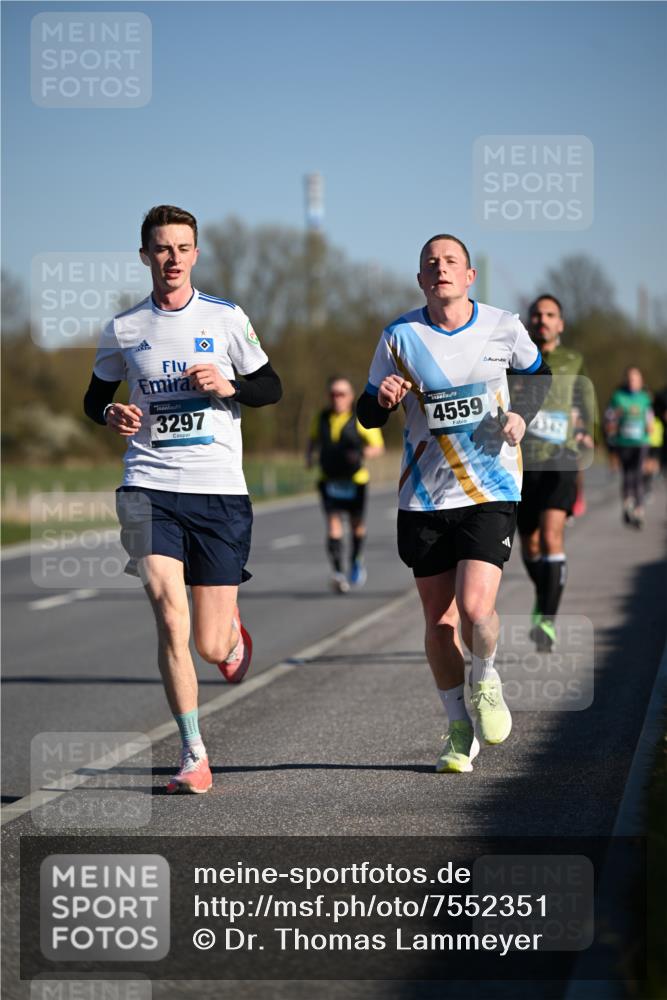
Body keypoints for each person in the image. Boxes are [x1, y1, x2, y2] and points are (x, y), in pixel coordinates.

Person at [83, 205, 282, 794]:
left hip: (217, 491)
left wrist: (231, 386)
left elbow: (271, 387)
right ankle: (193, 755)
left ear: (196, 254)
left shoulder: (225, 319)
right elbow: (94, 399)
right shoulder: (124, 328)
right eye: (161, 248)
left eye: (182, 247)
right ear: (145, 255)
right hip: (147, 486)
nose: (172, 258)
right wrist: (111, 412)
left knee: (207, 642)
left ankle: (229, 635)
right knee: (170, 616)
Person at [357, 234, 551, 774]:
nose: (440, 269)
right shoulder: (399, 335)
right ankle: (457, 726)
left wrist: (521, 416)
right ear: (420, 279)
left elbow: (540, 376)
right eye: (430, 264)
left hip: (491, 487)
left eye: (450, 262)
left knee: (474, 609)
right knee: (439, 623)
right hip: (423, 495)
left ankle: (485, 676)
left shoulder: (502, 326)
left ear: (469, 276)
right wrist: (382, 399)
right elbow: (367, 414)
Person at [517, 295, 595, 652]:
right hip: (523, 460)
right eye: (537, 314)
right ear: (530, 322)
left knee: (551, 537)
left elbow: (583, 404)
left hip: (561, 459)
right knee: (530, 544)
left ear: (560, 324)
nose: (543, 320)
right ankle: (543, 593)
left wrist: (585, 432)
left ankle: (546, 621)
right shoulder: (514, 359)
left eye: (550, 315)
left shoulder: (574, 360)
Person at [306, 376, 384, 592]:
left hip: (355, 480)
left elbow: (377, 446)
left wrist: (359, 453)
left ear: (350, 396)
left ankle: (356, 560)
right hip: (328, 478)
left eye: (341, 394)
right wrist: (309, 456)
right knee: (333, 523)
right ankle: (338, 571)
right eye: (333, 394)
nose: (336, 398)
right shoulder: (321, 417)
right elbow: (313, 438)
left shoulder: (359, 418)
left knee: (356, 524)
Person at [604, 367, 654, 528]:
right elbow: (609, 418)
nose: (633, 382)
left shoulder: (645, 398)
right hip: (623, 442)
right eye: (630, 379)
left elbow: (649, 417)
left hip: (641, 442)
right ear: (626, 380)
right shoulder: (618, 397)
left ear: (641, 381)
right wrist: (613, 420)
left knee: (638, 474)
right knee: (627, 474)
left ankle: (639, 511)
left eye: (636, 379)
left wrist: (650, 425)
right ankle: (627, 504)